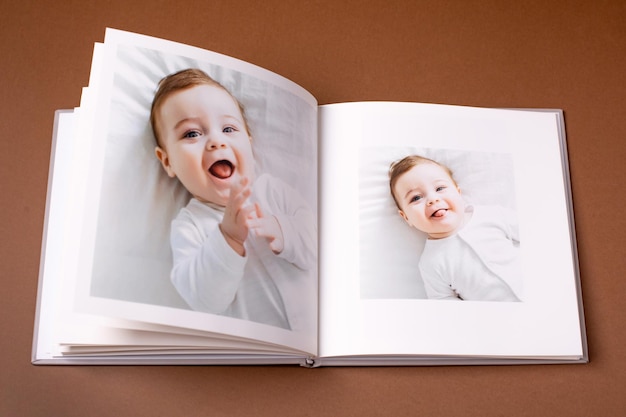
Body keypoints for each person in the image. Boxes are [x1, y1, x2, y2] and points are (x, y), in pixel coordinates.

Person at [150, 68, 316, 330]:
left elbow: (320, 246)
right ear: (168, 161)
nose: (216, 141)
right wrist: (228, 238)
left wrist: (282, 229)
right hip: (262, 352)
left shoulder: (273, 191)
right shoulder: (189, 226)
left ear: (249, 144)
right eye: (192, 134)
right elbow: (204, 299)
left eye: (228, 128)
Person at [389, 154, 522, 301]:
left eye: (439, 188)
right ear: (406, 217)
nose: (433, 200)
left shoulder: (491, 215)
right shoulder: (431, 263)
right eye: (416, 198)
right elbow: (443, 302)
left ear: (458, 193)